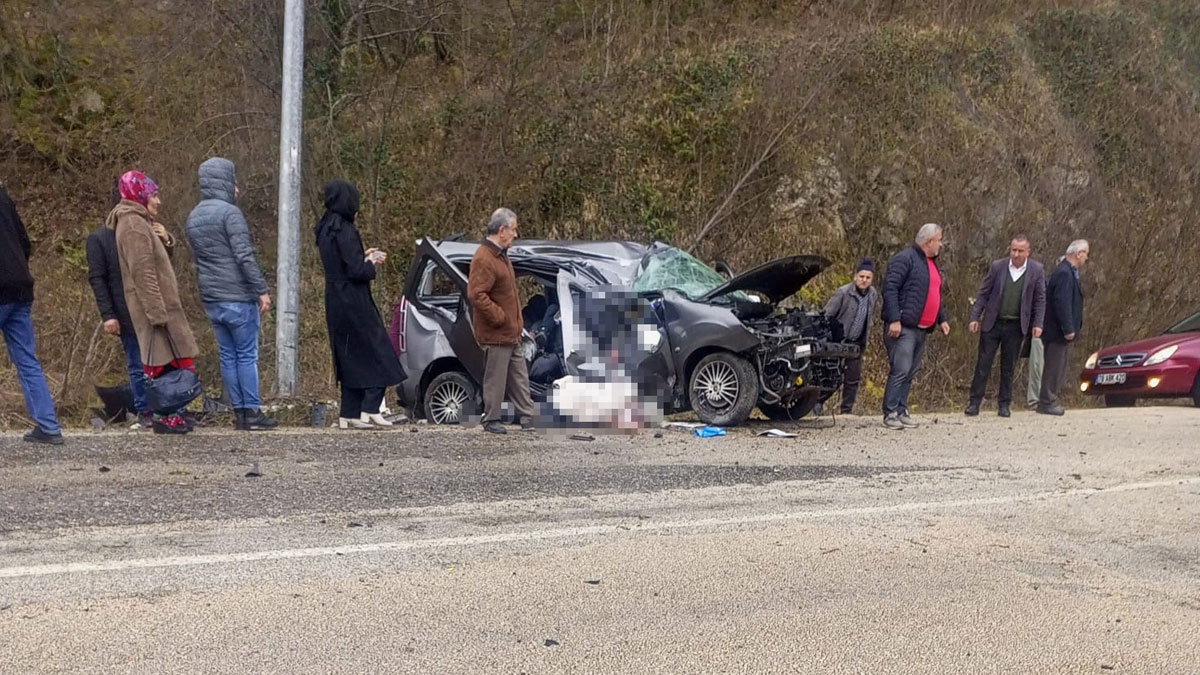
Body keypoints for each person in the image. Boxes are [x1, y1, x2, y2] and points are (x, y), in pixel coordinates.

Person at [185, 157, 277, 431]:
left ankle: (239, 413)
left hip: (213, 298)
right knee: (247, 355)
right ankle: (252, 411)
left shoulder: (194, 216)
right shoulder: (230, 214)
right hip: (238, 296)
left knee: (228, 355)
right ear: (224, 182)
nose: (237, 188)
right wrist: (261, 290)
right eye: (233, 181)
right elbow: (244, 256)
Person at [106, 170, 200, 434]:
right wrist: (157, 313)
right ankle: (165, 416)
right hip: (155, 309)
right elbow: (143, 272)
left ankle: (174, 414)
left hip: (160, 305)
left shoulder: (141, 222)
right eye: (154, 195)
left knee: (174, 361)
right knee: (162, 364)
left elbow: (159, 261)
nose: (158, 201)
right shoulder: (133, 225)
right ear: (140, 196)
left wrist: (165, 238)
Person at [314, 179, 405, 429]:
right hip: (354, 299)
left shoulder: (324, 227)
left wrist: (362, 256)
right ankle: (371, 406)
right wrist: (371, 261)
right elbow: (356, 271)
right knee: (379, 350)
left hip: (334, 297)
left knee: (348, 354)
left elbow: (341, 263)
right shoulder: (345, 229)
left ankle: (349, 413)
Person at [0, 184, 64, 445]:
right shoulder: (4, 196)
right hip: (20, 286)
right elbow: (24, 241)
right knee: (27, 359)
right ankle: (49, 425)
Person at [86, 184, 153, 428]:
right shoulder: (100, 239)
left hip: (150, 308)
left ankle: (164, 408)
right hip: (124, 311)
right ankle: (145, 410)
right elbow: (98, 279)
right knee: (137, 364)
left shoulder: (146, 231)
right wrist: (108, 315)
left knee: (158, 363)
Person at [466, 207, 536, 435]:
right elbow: (476, 294)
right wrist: (500, 317)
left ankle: (528, 415)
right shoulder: (484, 258)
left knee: (519, 374)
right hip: (496, 332)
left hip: (511, 331)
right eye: (513, 230)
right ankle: (491, 419)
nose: (516, 235)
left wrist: (515, 321)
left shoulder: (501, 255)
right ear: (502, 230)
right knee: (496, 377)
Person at [965, 235, 1047, 418]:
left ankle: (1004, 404)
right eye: (1013, 250)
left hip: (1016, 325)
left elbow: (1040, 299)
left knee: (1008, 366)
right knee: (983, 365)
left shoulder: (1036, 270)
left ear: (1028, 252)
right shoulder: (998, 267)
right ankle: (974, 402)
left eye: (1020, 251)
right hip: (993, 323)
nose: (1016, 254)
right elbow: (984, 293)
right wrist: (975, 317)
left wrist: (1038, 323)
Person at [880, 223, 951, 431]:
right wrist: (894, 319)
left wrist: (942, 319)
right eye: (939, 240)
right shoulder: (905, 259)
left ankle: (902, 410)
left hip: (922, 328)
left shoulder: (931, 263)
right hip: (904, 327)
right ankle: (890, 412)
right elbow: (890, 288)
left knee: (911, 371)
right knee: (900, 369)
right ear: (928, 242)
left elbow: (933, 295)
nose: (941, 244)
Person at [1037, 240, 1089, 416]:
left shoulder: (1069, 272)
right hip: (1057, 331)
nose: (1086, 258)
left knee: (1058, 366)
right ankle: (1047, 400)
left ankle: (1050, 398)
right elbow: (1062, 302)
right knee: (1054, 366)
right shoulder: (1065, 273)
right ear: (1079, 254)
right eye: (1086, 254)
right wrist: (1068, 328)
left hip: (1059, 331)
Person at [823, 258, 878, 414]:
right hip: (839, 340)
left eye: (868, 278)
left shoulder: (873, 295)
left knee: (853, 378)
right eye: (861, 276)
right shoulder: (843, 292)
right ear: (855, 277)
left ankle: (846, 411)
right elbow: (827, 314)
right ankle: (818, 402)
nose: (864, 280)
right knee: (832, 376)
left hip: (857, 342)